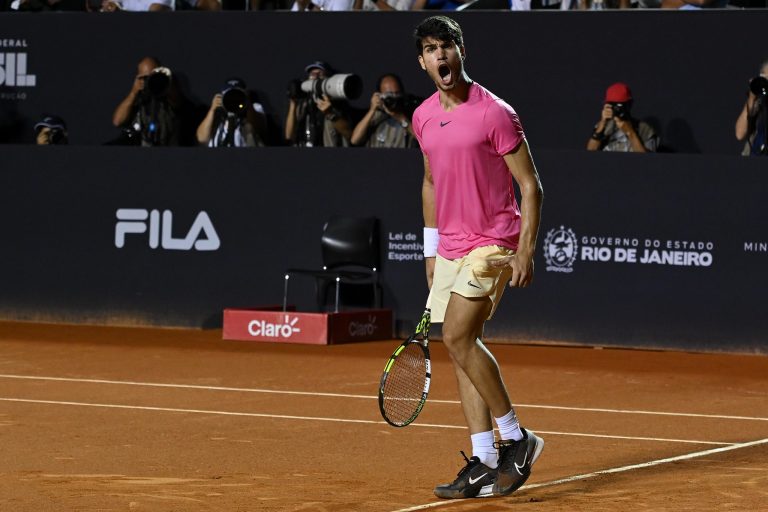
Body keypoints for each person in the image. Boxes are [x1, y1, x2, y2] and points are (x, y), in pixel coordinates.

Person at [411, 16, 545, 499]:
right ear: (422, 62)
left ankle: (517, 437)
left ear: (461, 51)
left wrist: (525, 248)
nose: (440, 55)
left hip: (493, 240)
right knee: (462, 346)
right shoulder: (423, 116)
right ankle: (485, 460)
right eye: (431, 49)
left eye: (447, 46)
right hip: (450, 245)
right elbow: (430, 182)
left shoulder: (495, 113)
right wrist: (430, 251)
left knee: (456, 335)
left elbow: (530, 185)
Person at [111, 57, 196, 146]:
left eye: (153, 76)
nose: (150, 80)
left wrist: (167, 86)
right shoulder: (138, 99)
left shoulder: (170, 95)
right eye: (146, 77)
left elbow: (180, 105)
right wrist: (133, 92)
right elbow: (117, 121)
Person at [284, 61, 353, 147]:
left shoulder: (338, 103)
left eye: (320, 73)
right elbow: (289, 136)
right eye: (312, 74)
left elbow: (350, 135)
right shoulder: (304, 103)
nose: (315, 77)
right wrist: (293, 103)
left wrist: (330, 113)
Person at [586, 82, 659, 153]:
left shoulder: (644, 129)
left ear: (629, 104)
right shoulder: (603, 127)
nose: (615, 109)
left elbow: (648, 159)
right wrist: (602, 124)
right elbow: (590, 154)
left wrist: (630, 132)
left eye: (619, 105)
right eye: (611, 105)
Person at [351, 73, 416, 148]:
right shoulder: (374, 115)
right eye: (389, 94)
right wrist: (372, 110)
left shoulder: (410, 113)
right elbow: (355, 140)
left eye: (397, 93)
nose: (393, 98)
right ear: (380, 95)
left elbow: (422, 139)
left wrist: (400, 118)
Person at [196, 78, 266, 147]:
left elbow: (259, 128)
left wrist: (247, 104)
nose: (233, 99)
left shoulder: (255, 108)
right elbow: (202, 139)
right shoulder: (216, 113)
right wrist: (212, 110)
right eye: (229, 95)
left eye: (237, 95)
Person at [735, 59, 768, 156]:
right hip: (755, 159)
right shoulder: (760, 101)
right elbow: (739, 134)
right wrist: (752, 97)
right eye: (766, 78)